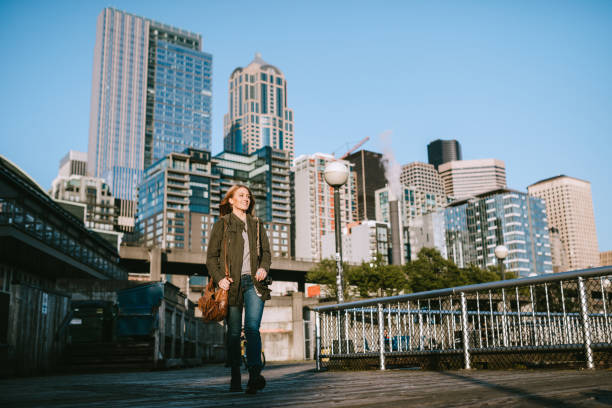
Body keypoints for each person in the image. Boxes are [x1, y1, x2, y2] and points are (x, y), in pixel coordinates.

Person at [206, 184, 271, 394]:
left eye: (248, 196)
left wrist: (263, 267)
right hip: (231, 286)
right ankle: (235, 375)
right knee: (234, 333)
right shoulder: (222, 224)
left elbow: (267, 253)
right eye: (241, 196)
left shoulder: (257, 224)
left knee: (252, 328)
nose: (246, 199)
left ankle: (254, 375)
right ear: (231, 200)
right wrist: (219, 279)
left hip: (254, 284)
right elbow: (211, 258)